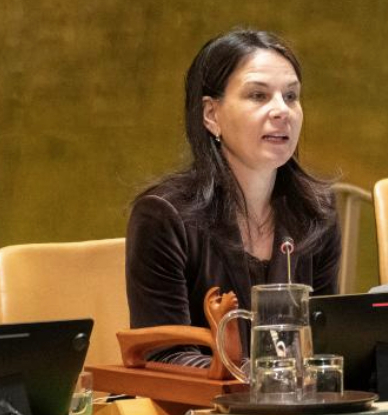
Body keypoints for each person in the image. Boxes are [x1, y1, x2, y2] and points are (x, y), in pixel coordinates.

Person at [126, 28, 340, 367]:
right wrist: (260, 381)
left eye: (291, 96)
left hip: (300, 412)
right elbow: (165, 354)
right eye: (258, 96)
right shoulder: (163, 216)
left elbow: (328, 340)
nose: (281, 110)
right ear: (211, 115)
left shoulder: (317, 212)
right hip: (202, 414)